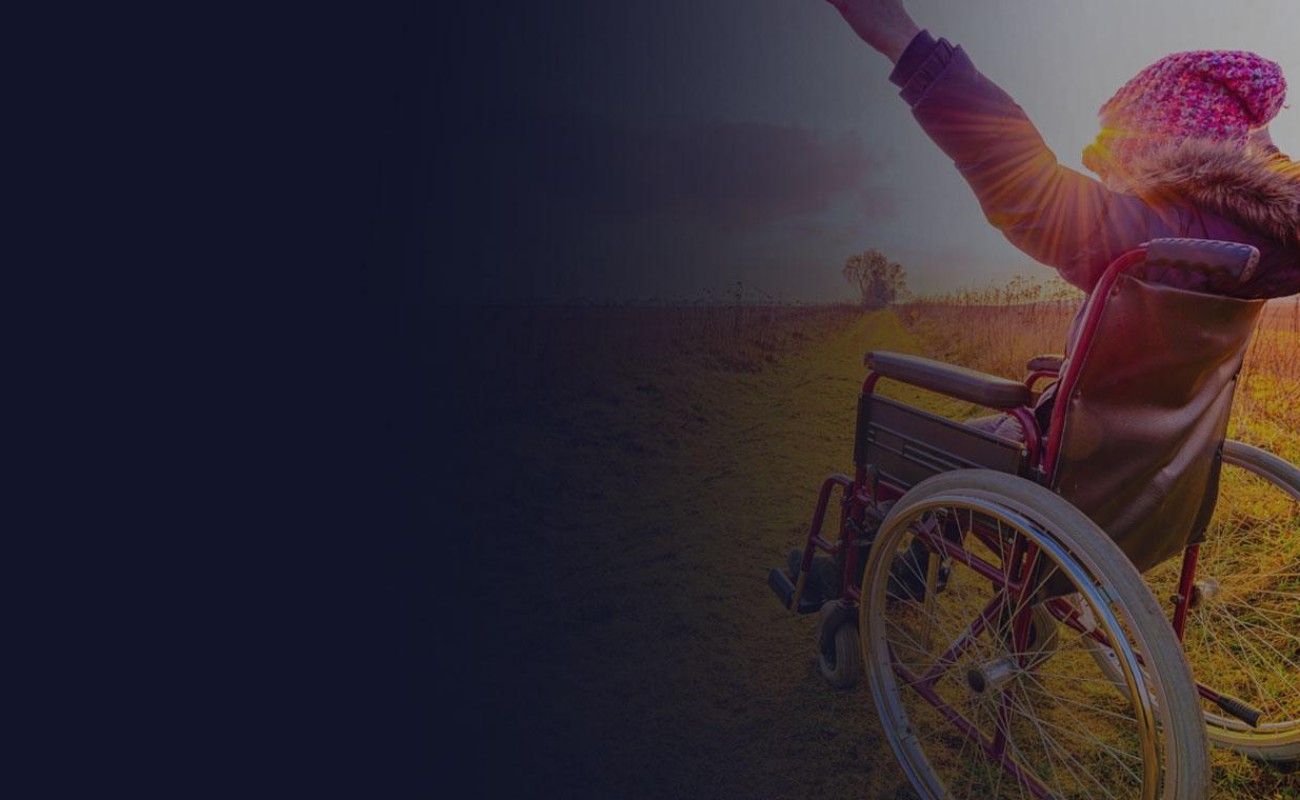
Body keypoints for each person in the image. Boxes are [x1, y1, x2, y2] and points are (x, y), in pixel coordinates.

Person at [791, 0, 1300, 603]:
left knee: (907, 446)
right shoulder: (1266, 253)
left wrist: (905, 43)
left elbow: (1026, 185)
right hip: (1153, 485)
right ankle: (914, 561)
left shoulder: (1156, 238)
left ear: (1170, 145)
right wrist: (1263, 148)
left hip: (1069, 473)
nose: (1119, 177)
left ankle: (857, 580)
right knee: (988, 435)